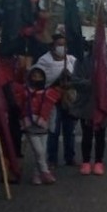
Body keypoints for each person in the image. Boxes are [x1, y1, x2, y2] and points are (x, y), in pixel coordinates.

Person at [69, 36, 107, 176]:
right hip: (86, 104)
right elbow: (75, 80)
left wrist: (103, 85)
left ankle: (98, 161)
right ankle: (86, 161)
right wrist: (90, 83)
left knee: (100, 135)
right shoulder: (82, 60)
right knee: (87, 134)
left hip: (104, 105)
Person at [35, 33, 76, 169]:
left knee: (70, 130)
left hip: (68, 99)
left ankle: (70, 157)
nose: (62, 48)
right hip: (52, 100)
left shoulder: (71, 60)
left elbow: (76, 79)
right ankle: (52, 159)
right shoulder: (44, 61)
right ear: (52, 46)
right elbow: (39, 79)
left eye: (64, 45)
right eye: (59, 45)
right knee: (54, 130)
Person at [13, 66, 60, 185]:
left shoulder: (48, 93)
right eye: (34, 76)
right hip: (30, 125)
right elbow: (18, 105)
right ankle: (45, 171)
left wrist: (52, 126)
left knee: (42, 152)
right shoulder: (24, 92)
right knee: (39, 151)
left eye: (39, 76)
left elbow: (52, 111)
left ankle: (36, 175)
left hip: (44, 126)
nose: (37, 78)